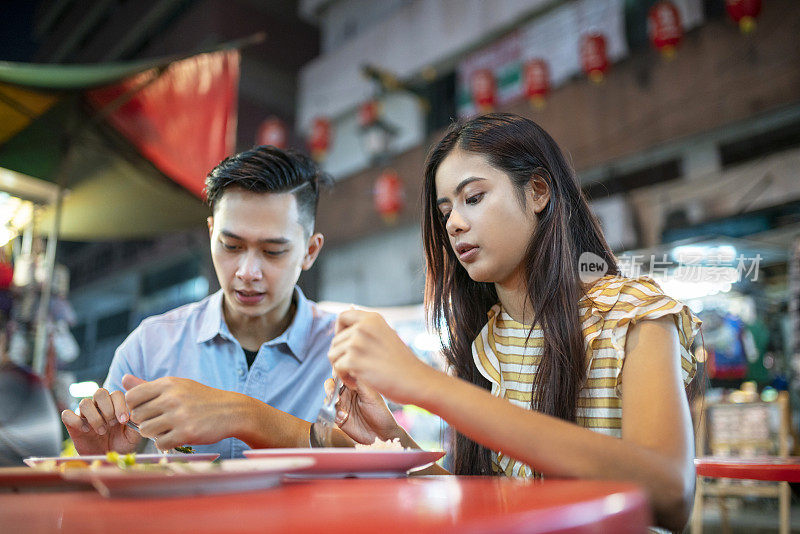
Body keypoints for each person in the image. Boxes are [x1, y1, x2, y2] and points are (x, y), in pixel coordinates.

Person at [327, 113, 701, 531]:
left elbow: (671, 493)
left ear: (538, 191)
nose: (453, 223)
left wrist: (425, 384)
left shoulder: (632, 315)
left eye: (473, 198)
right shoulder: (483, 343)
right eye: (445, 210)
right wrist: (394, 443)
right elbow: (489, 507)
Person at [61, 146, 338, 458]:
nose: (247, 272)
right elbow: (105, 473)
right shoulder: (149, 347)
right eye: (231, 245)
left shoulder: (344, 356)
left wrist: (243, 414)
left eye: (273, 251)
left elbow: (386, 459)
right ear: (211, 234)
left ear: (309, 252)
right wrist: (101, 458)